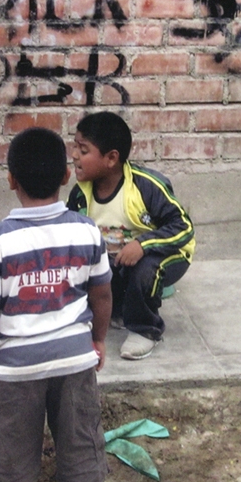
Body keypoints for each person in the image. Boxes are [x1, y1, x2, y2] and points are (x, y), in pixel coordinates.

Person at [0, 127, 114, 482]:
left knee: (11, 438)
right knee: (80, 429)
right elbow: (102, 293)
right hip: (74, 358)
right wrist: (98, 339)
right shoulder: (87, 232)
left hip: (15, 368)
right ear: (67, 176)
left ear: (11, 179)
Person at [67, 111, 195, 361]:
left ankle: (146, 329)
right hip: (117, 259)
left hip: (166, 253)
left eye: (83, 150)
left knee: (145, 270)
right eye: (74, 147)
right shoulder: (81, 193)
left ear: (111, 158)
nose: (74, 156)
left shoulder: (145, 186)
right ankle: (120, 310)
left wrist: (143, 244)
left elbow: (183, 227)